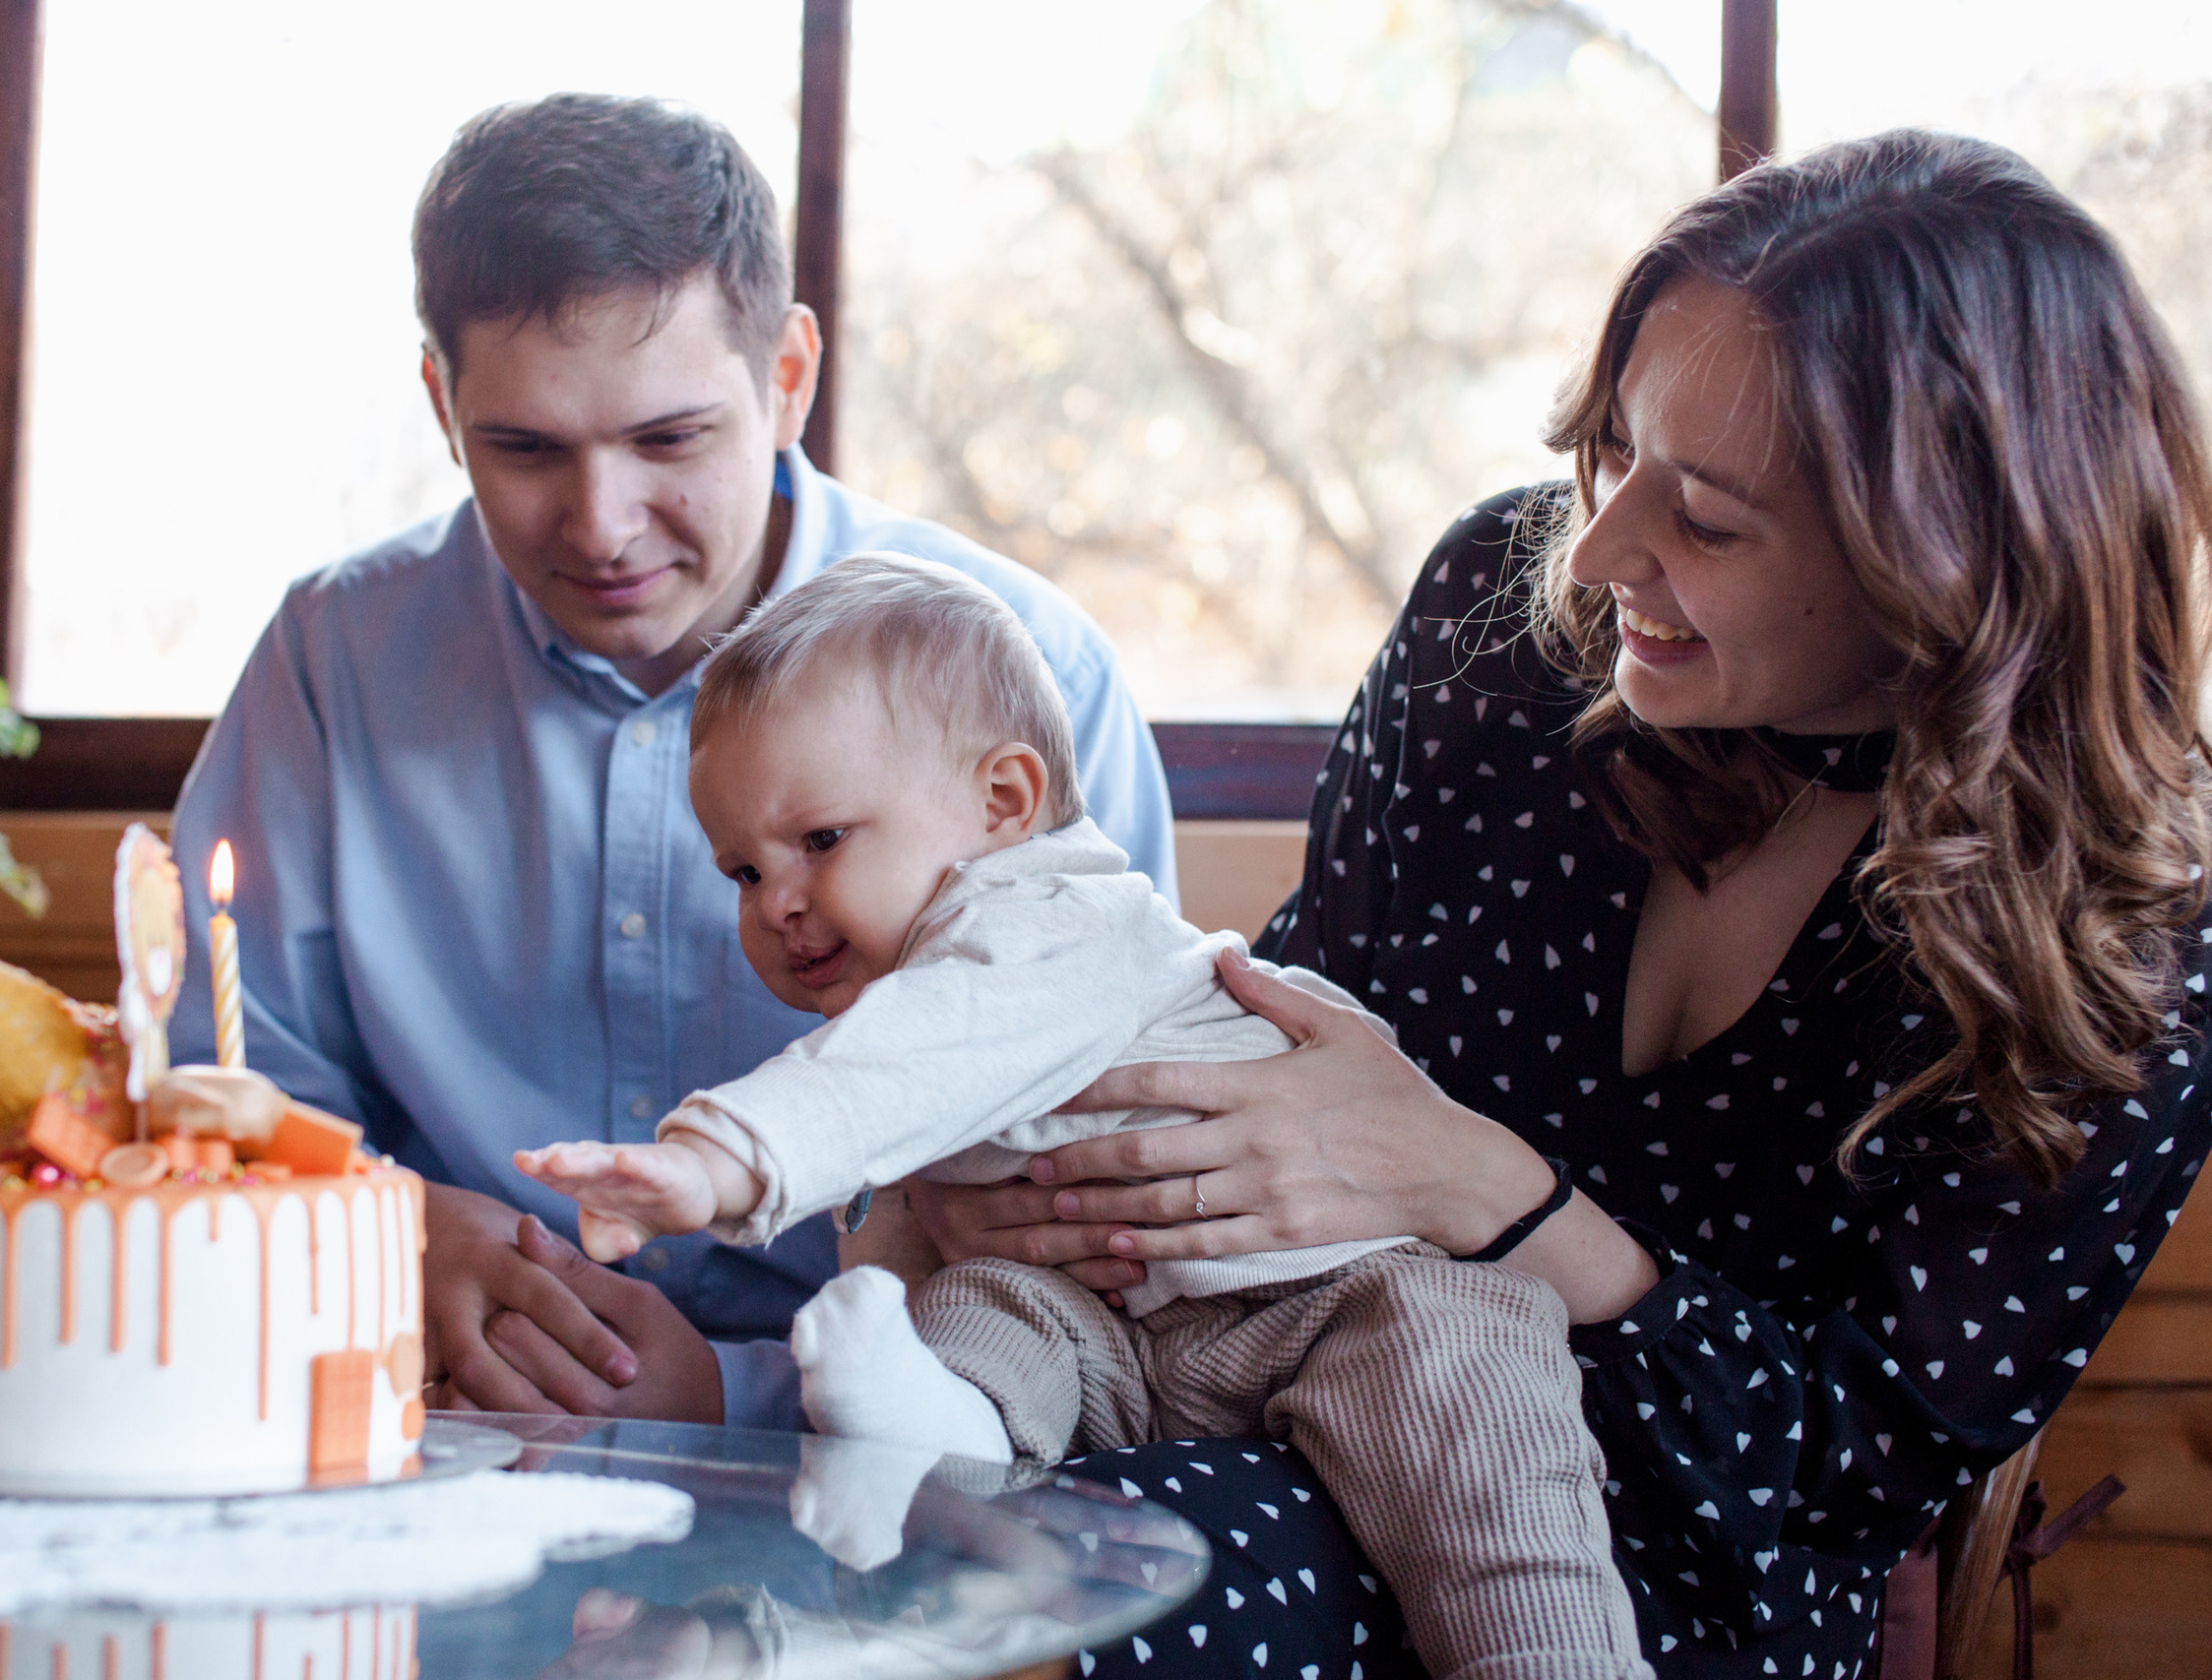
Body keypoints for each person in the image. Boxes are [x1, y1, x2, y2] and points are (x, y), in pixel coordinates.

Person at [910, 130, 2212, 1679]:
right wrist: (1031, 1189)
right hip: (1293, 1378)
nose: (1600, 549)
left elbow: (1856, 1472)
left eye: (1708, 519)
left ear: (1942, 561)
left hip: (1678, 1563)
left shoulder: (2133, 924)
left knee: (1069, 1582)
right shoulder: (1499, 622)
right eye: (1615, 448)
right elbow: (1276, 1059)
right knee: (932, 1515)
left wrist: (1496, 1195)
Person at [166, 93, 1174, 1434]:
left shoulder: (1035, 675)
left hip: (910, 1446)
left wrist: (743, 1392)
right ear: (442, 405)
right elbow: (217, 1093)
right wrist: (387, 1230)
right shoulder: (329, 661)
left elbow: (1103, 1181)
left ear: (789, 377)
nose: (601, 525)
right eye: (525, 448)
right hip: (436, 1423)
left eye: (669, 439)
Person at [521, 551, 1651, 1680]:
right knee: (984, 1308)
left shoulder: (1048, 918)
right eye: (741, 872)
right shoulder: (899, 1012)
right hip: (1116, 1340)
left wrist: (714, 1161)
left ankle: (1546, 1660)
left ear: (1002, 803)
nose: (778, 904)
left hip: (1327, 1301)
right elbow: (897, 1193)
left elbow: (892, 1069)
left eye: (819, 841)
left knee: (1462, 1399)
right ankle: (936, 1442)